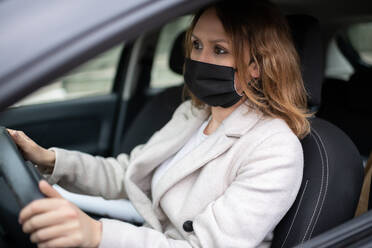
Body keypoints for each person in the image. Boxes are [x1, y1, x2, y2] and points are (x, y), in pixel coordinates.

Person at [9, 0, 311, 247]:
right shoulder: (193, 114)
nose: (199, 59)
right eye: (196, 45)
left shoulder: (274, 149)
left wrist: (98, 235)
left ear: (255, 66)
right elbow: (128, 173)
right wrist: (48, 159)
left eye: (219, 50)